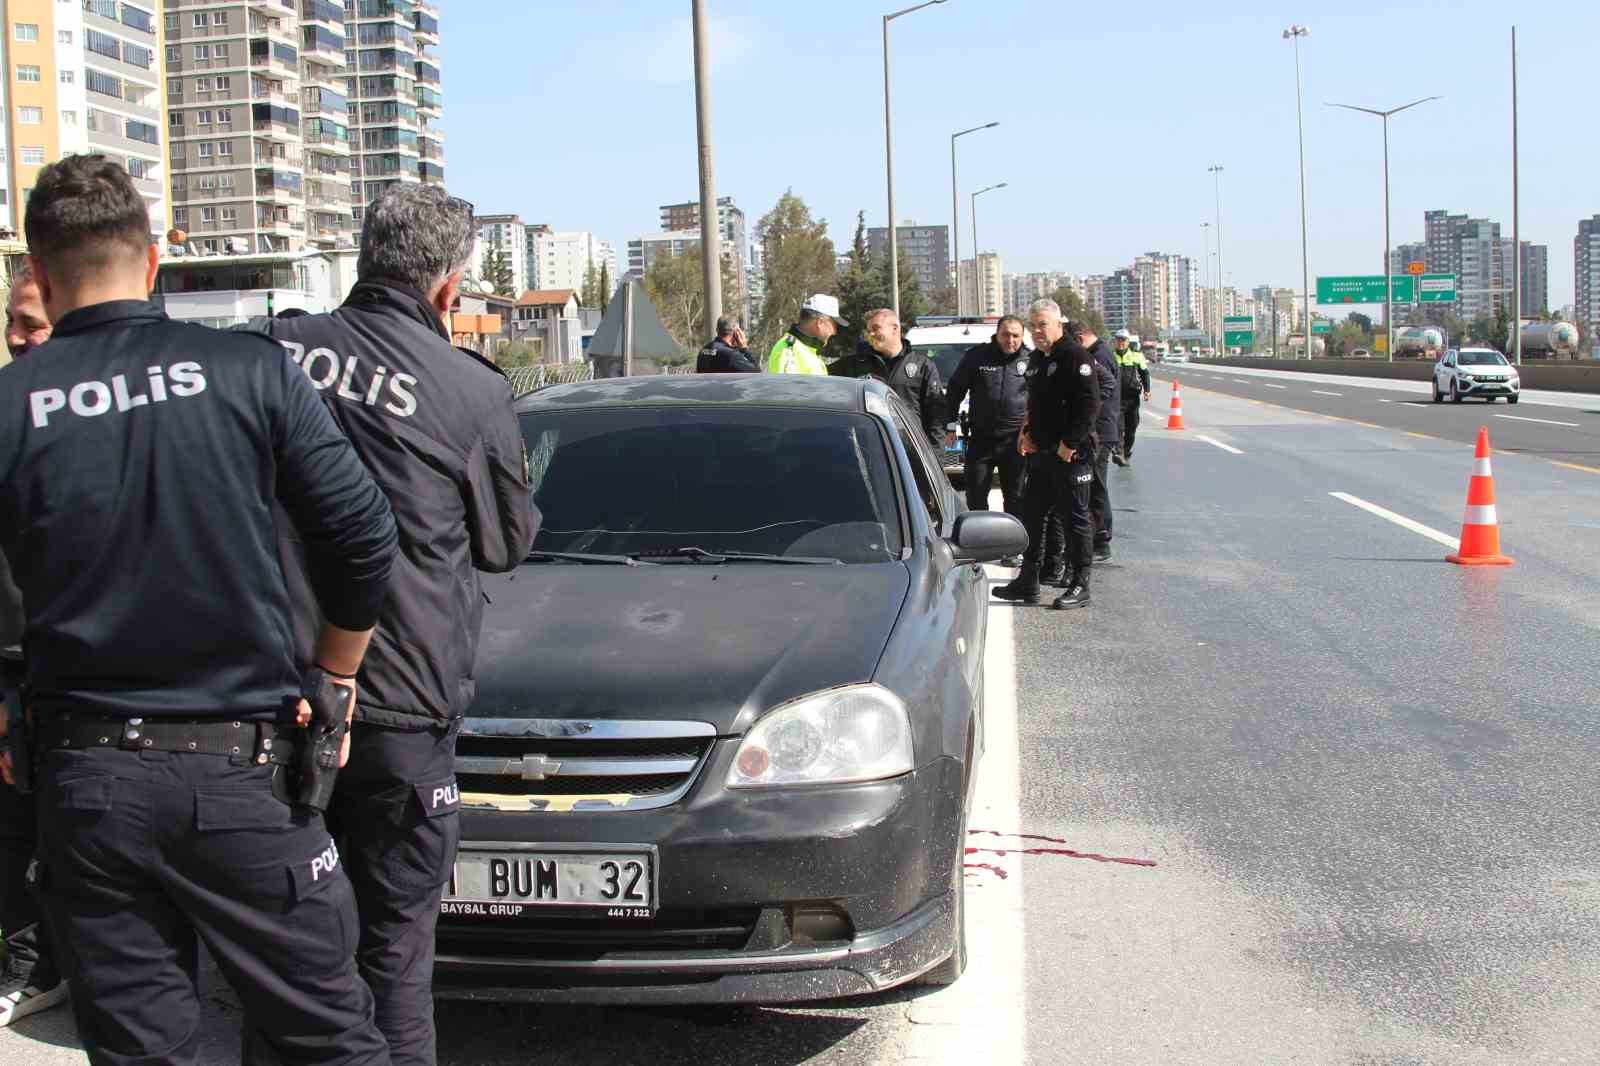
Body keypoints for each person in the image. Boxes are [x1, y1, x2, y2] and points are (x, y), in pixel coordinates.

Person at [0, 154, 398, 1064]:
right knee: (330, 1041)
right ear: (151, 264)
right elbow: (365, 538)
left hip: (88, 782)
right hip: (244, 773)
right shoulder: (247, 371)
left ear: (42, 274)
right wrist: (336, 677)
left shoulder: (13, 405)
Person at [248, 184, 537, 1066]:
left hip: (267, 705)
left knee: (281, 960)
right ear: (449, 289)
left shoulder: (271, 350)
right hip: (400, 715)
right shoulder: (468, 390)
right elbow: (505, 544)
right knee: (396, 956)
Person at [0, 262, 65, 1029]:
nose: (20, 338)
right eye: (14, 323)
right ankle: (31, 958)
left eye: (34, 324)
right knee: (15, 827)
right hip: (15, 663)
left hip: (88, 671)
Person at [993, 299, 1100, 609]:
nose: (1038, 331)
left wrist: (1070, 443)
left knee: (1074, 519)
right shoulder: (1039, 358)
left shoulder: (1075, 356)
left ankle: (1081, 583)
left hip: (1070, 454)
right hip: (1041, 453)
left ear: (1058, 325)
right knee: (1032, 516)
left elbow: (1088, 405)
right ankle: (1028, 582)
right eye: (1034, 325)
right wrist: (1027, 434)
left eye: (1043, 325)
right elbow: (1036, 405)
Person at [945, 315, 1030, 525]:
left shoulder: (1031, 359)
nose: (1010, 340)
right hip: (981, 440)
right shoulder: (977, 356)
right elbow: (954, 391)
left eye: (1015, 336)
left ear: (1022, 336)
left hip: (1016, 443)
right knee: (975, 497)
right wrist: (950, 425)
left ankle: (1013, 548)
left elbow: (1041, 399)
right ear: (997, 334)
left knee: (1016, 498)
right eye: (1005, 335)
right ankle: (980, 545)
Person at [829, 308, 946, 449]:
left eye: (876, 328)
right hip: (869, 449)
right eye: (868, 330)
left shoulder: (922, 366)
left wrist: (936, 458)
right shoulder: (853, 364)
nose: (870, 334)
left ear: (894, 328)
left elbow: (936, 417)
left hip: (909, 452)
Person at [1072, 321, 1120, 562]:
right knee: (1092, 486)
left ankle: (1101, 539)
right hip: (1098, 430)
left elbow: (1107, 387)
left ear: (1079, 338)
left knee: (1096, 487)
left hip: (1101, 431)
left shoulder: (1099, 356)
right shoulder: (1097, 353)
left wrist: (1088, 407)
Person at [766, 293, 845, 374]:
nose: (835, 331)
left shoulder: (806, 350)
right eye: (833, 325)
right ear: (820, 323)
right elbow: (784, 386)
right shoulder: (789, 351)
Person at [1111, 329, 1151, 465]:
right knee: (1118, 427)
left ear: (1128, 342)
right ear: (1114, 341)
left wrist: (1147, 391)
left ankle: (1126, 451)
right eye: (1118, 339)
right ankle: (1118, 452)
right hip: (1116, 399)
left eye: (1123, 340)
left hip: (1132, 399)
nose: (1120, 342)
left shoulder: (1136, 356)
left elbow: (1145, 374)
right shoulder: (1110, 357)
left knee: (1131, 428)